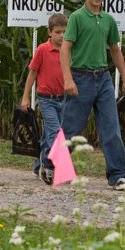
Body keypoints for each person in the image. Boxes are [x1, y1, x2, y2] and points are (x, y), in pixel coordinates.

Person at [66, 0, 125, 191]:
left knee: (111, 129)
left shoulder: (108, 20)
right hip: (80, 77)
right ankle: (49, 164)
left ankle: (117, 176)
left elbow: (115, 50)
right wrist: (68, 78)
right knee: (70, 129)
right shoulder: (77, 17)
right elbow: (65, 48)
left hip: (103, 79)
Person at [20, 10, 76, 184]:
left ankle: (39, 165)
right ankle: (53, 166)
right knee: (54, 132)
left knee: (48, 134)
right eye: (58, 32)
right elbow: (32, 74)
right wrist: (25, 97)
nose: (61, 35)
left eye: (65, 32)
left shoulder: (70, 50)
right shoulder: (43, 50)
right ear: (49, 32)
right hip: (46, 99)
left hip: (64, 98)